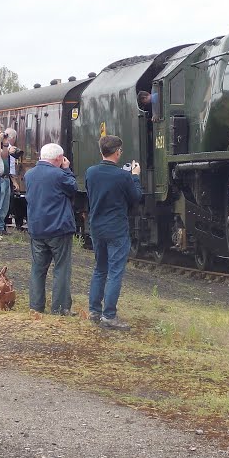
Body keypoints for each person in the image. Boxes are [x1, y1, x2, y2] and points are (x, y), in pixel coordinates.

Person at [85, 135, 142, 329]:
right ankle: (109, 315)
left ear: (101, 151)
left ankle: (94, 310)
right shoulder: (123, 176)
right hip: (116, 227)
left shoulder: (90, 172)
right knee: (115, 271)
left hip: (97, 226)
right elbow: (136, 197)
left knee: (100, 269)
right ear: (117, 152)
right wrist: (135, 177)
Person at [24, 143, 77, 315]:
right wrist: (67, 169)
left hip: (37, 229)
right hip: (58, 228)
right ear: (59, 158)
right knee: (61, 268)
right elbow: (73, 188)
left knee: (38, 269)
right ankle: (60, 308)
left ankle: (36, 306)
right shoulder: (60, 175)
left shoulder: (29, 174)